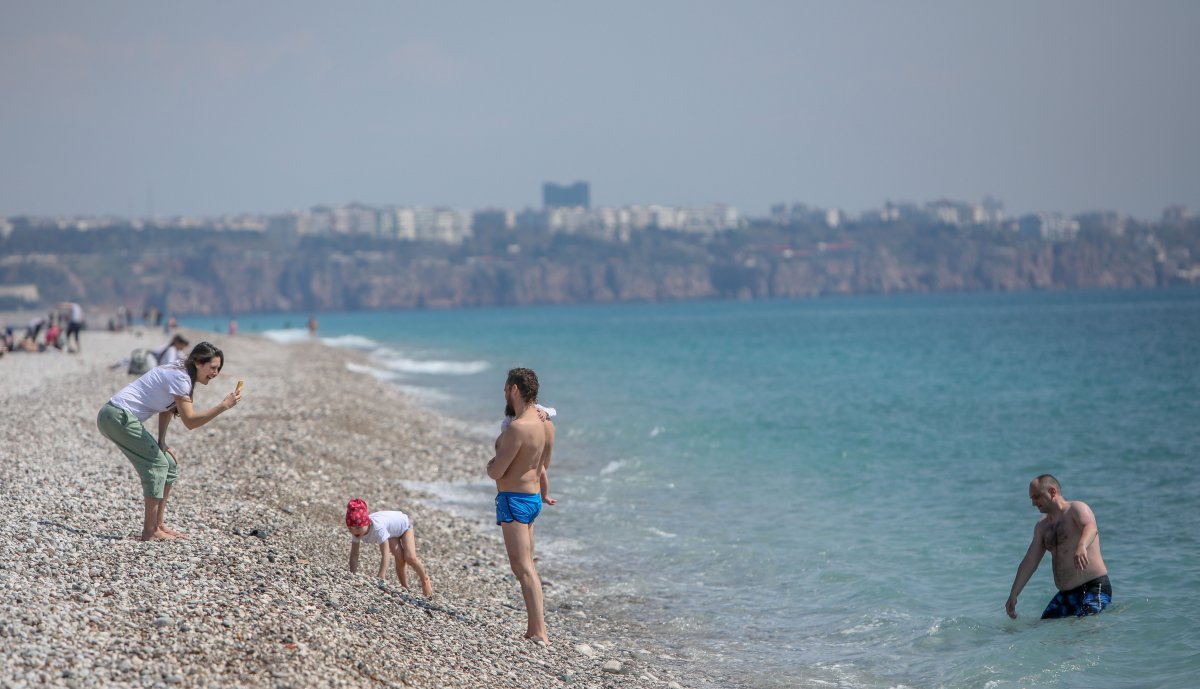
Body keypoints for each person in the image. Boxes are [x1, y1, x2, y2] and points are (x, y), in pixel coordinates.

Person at [96, 342, 241, 541]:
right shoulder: (181, 378)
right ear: (198, 363)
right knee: (157, 464)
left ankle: (158, 524)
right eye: (213, 368)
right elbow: (190, 422)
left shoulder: (184, 373)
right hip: (116, 416)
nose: (216, 373)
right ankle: (149, 531)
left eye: (218, 368)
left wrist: (161, 441)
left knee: (169, 464)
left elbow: (166, 407)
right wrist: (223, 406)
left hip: (116, 417)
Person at [487, 367, 556, 643]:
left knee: (523, 567)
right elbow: (544, 466)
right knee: (526, 566)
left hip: (514, 501)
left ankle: (539, 631)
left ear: (515, 389)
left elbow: (497, 471)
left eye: (506, 388)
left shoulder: (517, 428)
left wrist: (489, 465)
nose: (504, 393)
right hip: (532, 500)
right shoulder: (546, 425)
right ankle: (534, 628)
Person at [1006, 474, 1111, 619]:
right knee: (1043, 630)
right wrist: (1014, 594)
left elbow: (1091, 528)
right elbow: (1029, 562)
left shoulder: (1076, 509)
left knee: (1086, 626)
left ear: (1052, 492)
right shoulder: (1042, 527)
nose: (1033, 503)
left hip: (1094, 588)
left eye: (1036, 497)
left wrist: (1081, 546)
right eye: (1031, 498)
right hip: (1066, 594)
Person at [345, 498, 434, 596]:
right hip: (391, 532)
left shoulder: (378, 528)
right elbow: (354, 554)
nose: (354, 531)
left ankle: (425, 579)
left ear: (367, 522)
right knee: (399, 557)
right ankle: (405, 588)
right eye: (350, 528)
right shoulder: (356, 532)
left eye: (358, 527)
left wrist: (381, 575)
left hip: (404, 525)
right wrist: (352, 574)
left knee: (409, 557)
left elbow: (385, 554)